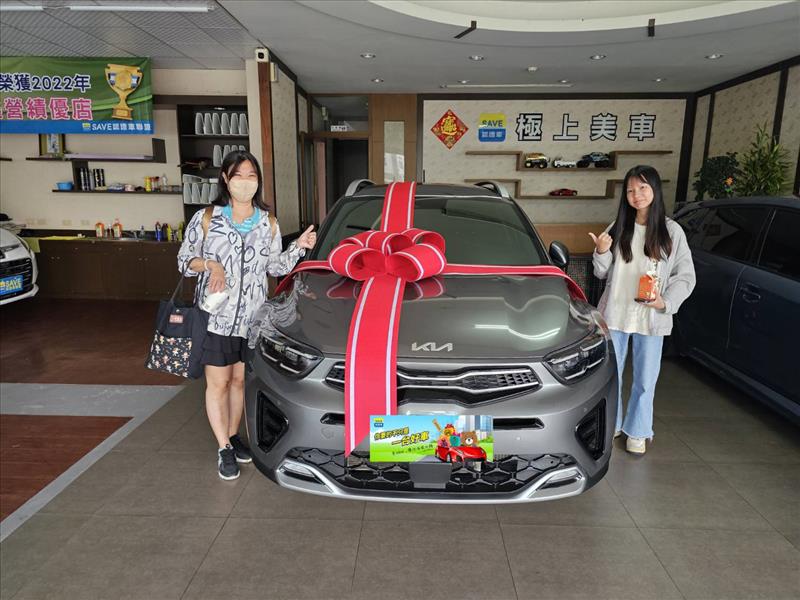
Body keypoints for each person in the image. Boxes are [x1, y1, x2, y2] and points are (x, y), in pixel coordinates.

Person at [177, 150, 316, 480]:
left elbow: (275, 268)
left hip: (252, 321)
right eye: (238, 175)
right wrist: (210, 264)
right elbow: (184, 261)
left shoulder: (268, 222)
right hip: (216, 318)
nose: (245, 182)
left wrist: (299, 246)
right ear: (225, 179)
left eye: (251, 176)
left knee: (239, 381)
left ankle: (233, 435)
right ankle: (223, 447)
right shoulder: (207, 218)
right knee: (219, 383)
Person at [589, 165, 695, 455]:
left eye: (643, 188)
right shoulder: (618, 226)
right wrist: (601, 251)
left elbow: (685, 276)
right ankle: (613, 424)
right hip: (616, 313)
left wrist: (666, 302)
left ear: (655, 190)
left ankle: (638, 430)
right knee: (612, 375)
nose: (637, 195)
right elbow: (601, 273)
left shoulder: (671, 231)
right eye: (631, 190)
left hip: (652, 316)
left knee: (646, 378)